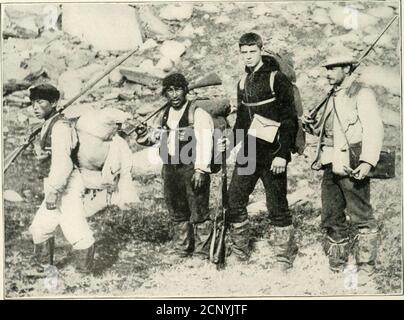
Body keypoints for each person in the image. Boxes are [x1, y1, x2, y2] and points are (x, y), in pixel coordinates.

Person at [28, 83, 138, 275]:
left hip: (66, 185)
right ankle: (44, 267)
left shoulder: (60, 127)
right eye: (33, 103)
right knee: (40, 227)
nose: (36, 107)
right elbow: (55, 154)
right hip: (56, 184)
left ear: (54, 102)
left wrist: (54, 192)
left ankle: (83, 273)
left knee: (76, 230)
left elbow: (63, 163)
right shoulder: (50, 123)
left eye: (41, 102)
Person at [301, 51, 384, 282]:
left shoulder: (361, 93)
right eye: (327, 68)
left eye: (333, 68)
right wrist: (310, 125)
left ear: (347, 69)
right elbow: (324, 131)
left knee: (361, 215)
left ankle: (366, 266)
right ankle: (337, 264)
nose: (328, 73)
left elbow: (374, 128)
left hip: (352, 164)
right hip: (330, 163)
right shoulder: (331, 94)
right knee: (331, 214)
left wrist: (367, 161)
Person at [223, 33, 298, 271]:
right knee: (234, 200)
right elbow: (243, 122)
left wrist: (282, 154)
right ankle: (240, 251)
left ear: (260, 50)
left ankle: (283, 257)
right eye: (243, 53)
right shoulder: (242, 83)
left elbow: (289, 120)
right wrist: (228, 146)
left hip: (272, 153)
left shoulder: (278, 79)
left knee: (276, 205)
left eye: (252, 52)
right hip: (249, 151)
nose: (247, 57)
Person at [136, 73, 215, 259]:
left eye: (178, 89)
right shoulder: (163, 115)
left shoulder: (197, 114)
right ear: (165, 93)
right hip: (170, 168)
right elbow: (155, 138)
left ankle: (202, 252)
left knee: (199, 210)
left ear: (186, 90)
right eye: (169, 90)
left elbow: (206, 143)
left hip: (191, 168)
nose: (174, 95)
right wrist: (143, 134)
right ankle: (183, 248)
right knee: (177, 210)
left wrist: (201, 169)